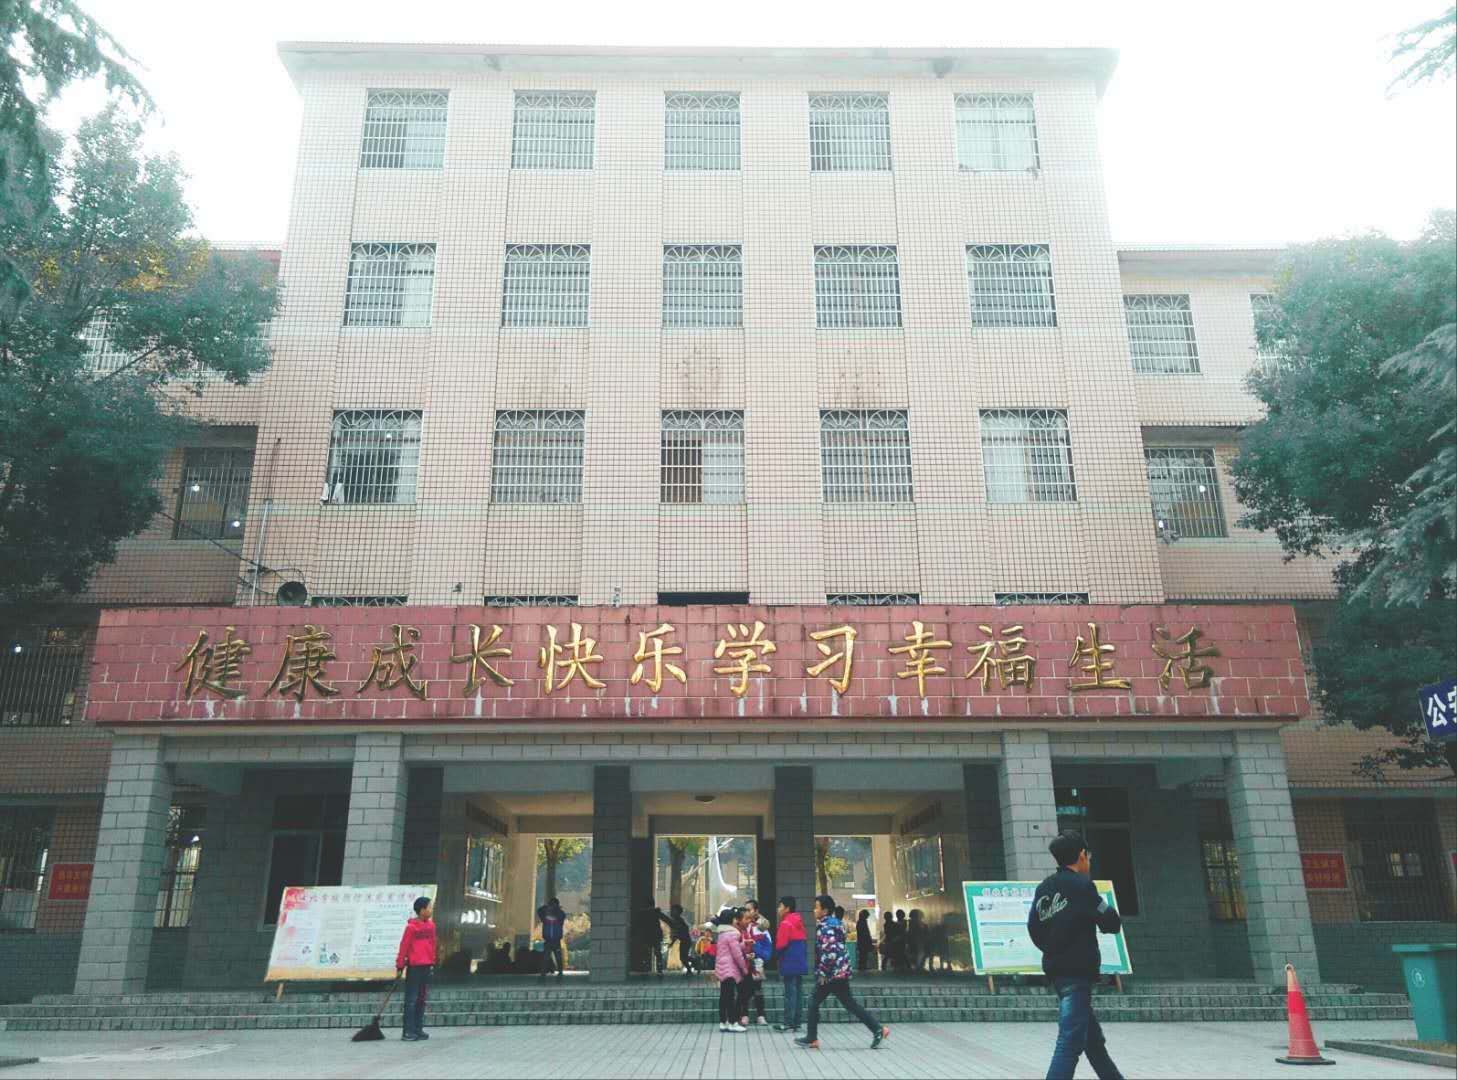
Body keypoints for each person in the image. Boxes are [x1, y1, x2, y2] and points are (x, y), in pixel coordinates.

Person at [1028, 830, 1125, 1080]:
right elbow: (1110, 921)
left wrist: (1054, 948)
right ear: (1082, 855)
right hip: (1077, 973)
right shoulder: (1082, 886)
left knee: (1092, 1042)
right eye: (1088, 856)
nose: (1089, 860)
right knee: (1069, 1043)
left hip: (1057, 972)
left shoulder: (1044, 888)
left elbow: (1034, 929)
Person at [795, 894, 889, 1052]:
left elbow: (830, 951)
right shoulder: (836, 924)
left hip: (831, 974)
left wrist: (823, 973)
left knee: (813, 1002)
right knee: (849, 1004)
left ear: (825, 910)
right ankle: (878, 1029)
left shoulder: (826, 927)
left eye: (816, 907)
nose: (814, 910)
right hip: (840, 971)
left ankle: (812, 1038)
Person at [395, 895, 437, 1042]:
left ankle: (418, 1029)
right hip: (414, 967)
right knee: (411, 1000)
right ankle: (408, 1031)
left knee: (421, 999)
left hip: (426, 966)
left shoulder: (431, 926)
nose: (431, 910)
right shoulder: (411, 927)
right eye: (429, 907)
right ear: (422, 910)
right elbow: (404, 947)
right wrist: (400, 965)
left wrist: (432, 961)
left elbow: (433, 945)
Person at [772, 895, 808, 1032]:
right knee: (798, 992)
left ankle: (788, 1022)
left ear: (787, 908)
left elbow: (781, 944)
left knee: (790, 994)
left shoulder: (785, 923)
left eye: (780, 906)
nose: (778, 909)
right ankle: (797, 1022)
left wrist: (777, 956)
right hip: (799, 961)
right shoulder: (799, 922)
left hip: (788, 961)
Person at [713, 908, 749, 1033]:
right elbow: (737, 954)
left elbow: (729, 949)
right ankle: (733, 1022)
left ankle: (723, 1022)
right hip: (730, 969)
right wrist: (744, 968)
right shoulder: (732, 934)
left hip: (722, 968)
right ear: (731, 920)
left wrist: (743, 944)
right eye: (734, 918)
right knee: (730, 997)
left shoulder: (722, 934)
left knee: (723, 996)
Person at [739, 910, 772, 1025]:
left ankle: (761, 1015)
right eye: (746, 915)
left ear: (756, 911)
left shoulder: (761, 928)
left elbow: (767, 947)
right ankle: (744, 1015)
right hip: (744, 964)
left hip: (757, 963)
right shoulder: (740, 929)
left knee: (758, 990)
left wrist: (759, 955)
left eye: (750, 910)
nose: (748, 917)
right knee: (744, 990)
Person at [659, 903, 694, 974]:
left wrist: (672, 942)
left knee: (683, 957)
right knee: (683, 957)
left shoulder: (678, 921)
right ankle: (691, 967)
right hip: (684, 941)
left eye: (673, 911)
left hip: (685, 941)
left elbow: (677, 932)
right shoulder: (677, 920)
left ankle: (694, 963)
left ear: (678, 912)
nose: (672, 912)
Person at [538, 897, 567, 979]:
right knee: (545, 958)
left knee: (558, 957)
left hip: (556, 940)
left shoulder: (560, 915)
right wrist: (547, 907)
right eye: (551, 905)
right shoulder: (545, 916)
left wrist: (555, 909)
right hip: (548, 940)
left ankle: (560, 972)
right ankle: (543, 973)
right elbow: (539, 911)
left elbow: (562, 915)